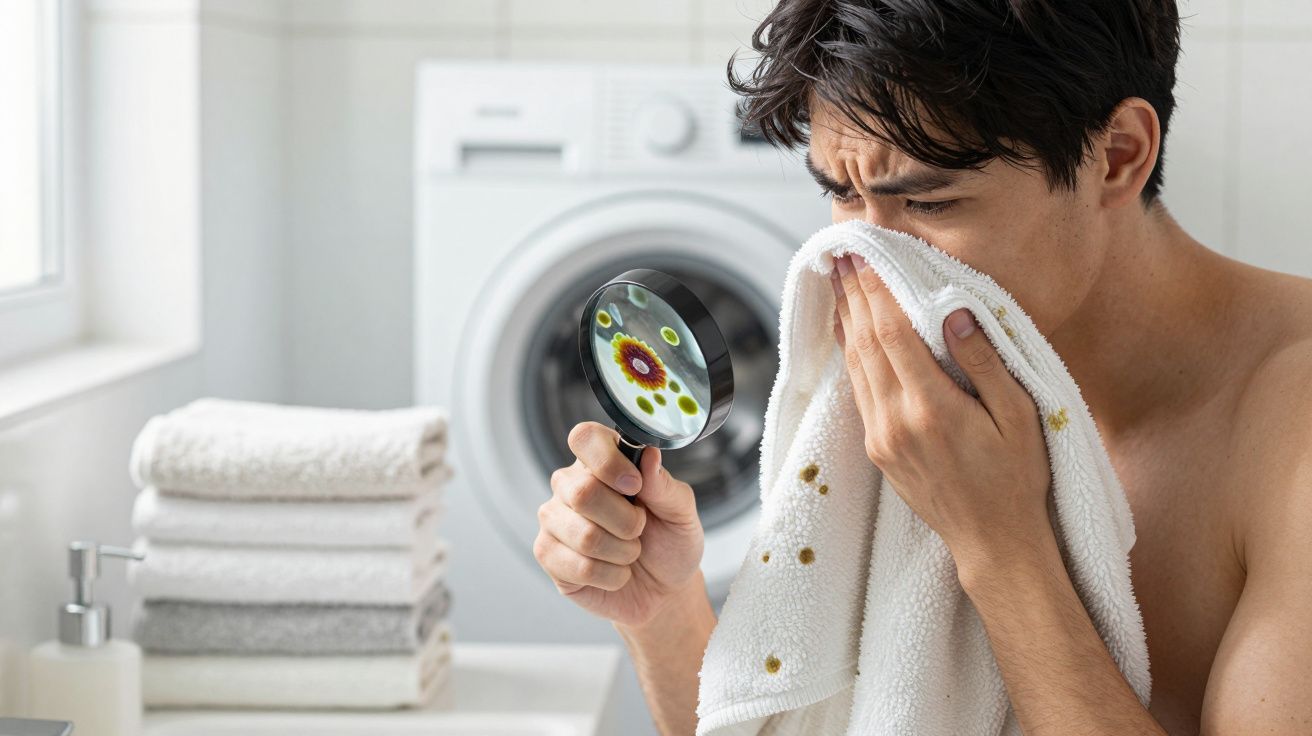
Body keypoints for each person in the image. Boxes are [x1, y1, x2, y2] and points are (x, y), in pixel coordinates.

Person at [533, 1, 1312, 733]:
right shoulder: (899, 405)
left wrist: (1002, 549)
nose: (870, 265)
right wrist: (663, 609)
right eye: (841, 194)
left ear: (1116, 158)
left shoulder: (1289, 429)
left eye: (930, 205)